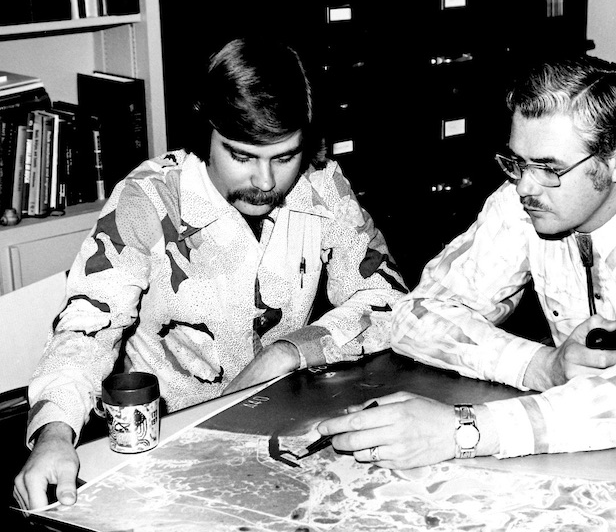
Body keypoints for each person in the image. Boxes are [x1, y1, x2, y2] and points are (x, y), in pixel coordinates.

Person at [315, 55, 616, 469]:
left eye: (549, 168)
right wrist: (540, 366)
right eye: (516, 163)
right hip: (583, 439)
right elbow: (415, 315)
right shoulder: (523, 203)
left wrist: (463, 431)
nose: (524, 187)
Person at [14, 36, 407, 509]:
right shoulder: (149, 198)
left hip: (281, 439)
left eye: (284, 157)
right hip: (165, 453)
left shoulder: (323, 185)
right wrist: (54, 433)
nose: (265, 183)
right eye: (242, 156)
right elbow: (86, 327)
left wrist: (288, 352)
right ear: (206, 131)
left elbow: (387, 300)